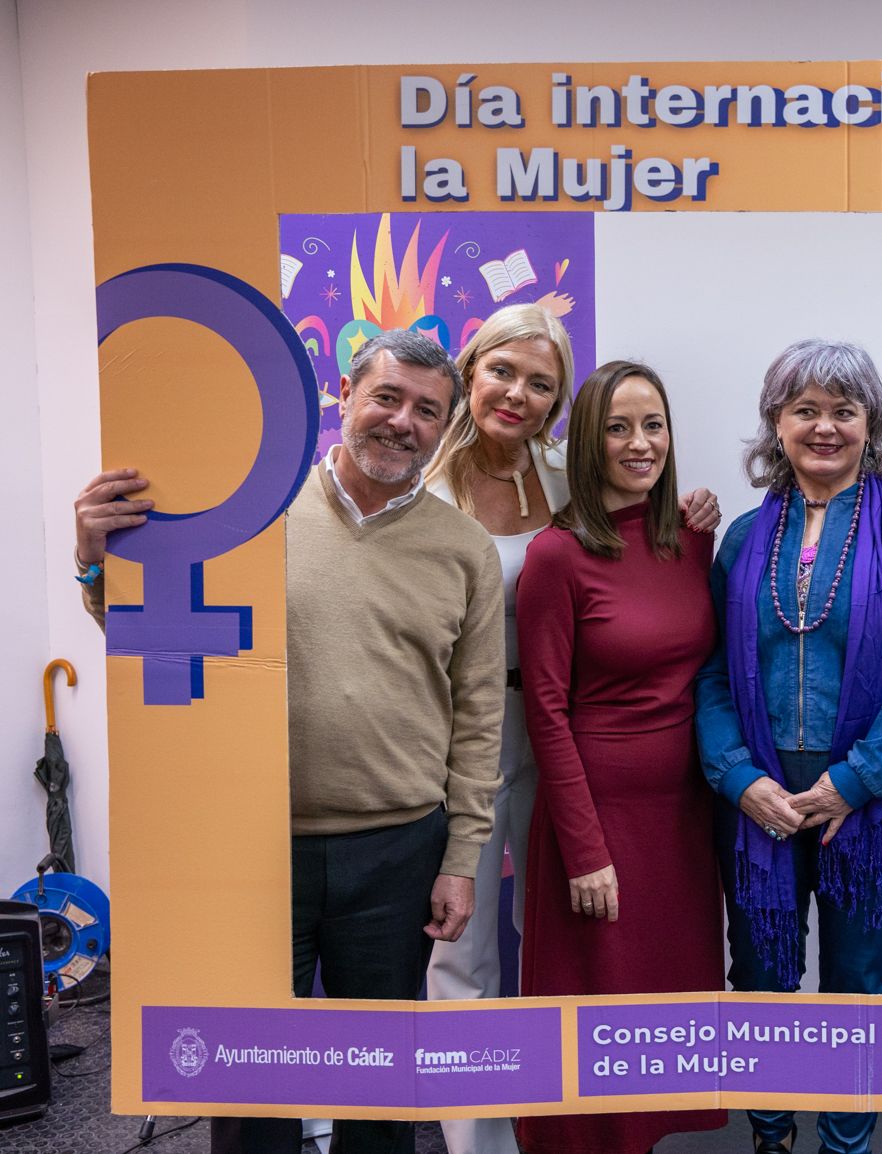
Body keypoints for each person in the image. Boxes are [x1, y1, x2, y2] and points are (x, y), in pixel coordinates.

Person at [76, 328, 506, 1154]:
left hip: (396, 851)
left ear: (444, 428)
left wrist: (460, 858)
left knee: (378, 1089)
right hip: (251, 848)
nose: (401, 422)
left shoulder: (464, 551)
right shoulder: (248, 516)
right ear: (345, 396)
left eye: (426, 410)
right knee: (250, 1089)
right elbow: (157, 640)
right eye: (387, 397)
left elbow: (479, 715)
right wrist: (96, 568)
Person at [419, 306, 719, 1154]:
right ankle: (478, 1142)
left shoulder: (566, 481)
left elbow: (637, 531)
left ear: (558, 409)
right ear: (468, 372)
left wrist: (692, 506)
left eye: (540, 382)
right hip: (461, 732)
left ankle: (553, 1119)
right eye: (502, 372)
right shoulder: (420, 490)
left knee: (552, 940)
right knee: (463, 951)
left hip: (559, 728)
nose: (517, 393)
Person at [695, 338, 882, 1154]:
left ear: (870, 423)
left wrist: (855, 780)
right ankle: (769, 1137)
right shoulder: (741, 538)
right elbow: (705, 675)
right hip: (758, 800)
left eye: (842, 411)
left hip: (870, 799)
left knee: (856, 985)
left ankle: (845, 1144)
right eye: (804, 409)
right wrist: (738, 778)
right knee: (763, 979)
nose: (823, 427)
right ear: (776, 423)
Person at [513, 360, 726, 1153]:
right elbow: (546, 712)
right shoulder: (555, 555)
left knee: (660, 1035)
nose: (640, 444)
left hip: (680, 823)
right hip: (597, 825)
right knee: (594, 1035)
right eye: (618, 427)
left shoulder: (694, 538)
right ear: (587, 441)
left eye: (654, 425)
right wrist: (583, 851)